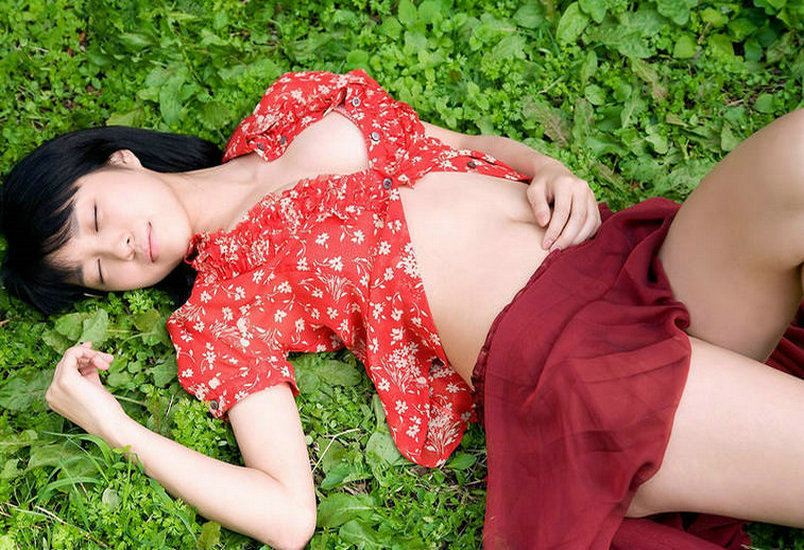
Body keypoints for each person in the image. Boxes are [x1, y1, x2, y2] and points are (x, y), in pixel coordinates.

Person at [1, 69, 802, 549]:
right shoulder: (222, 311)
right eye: (97, 272)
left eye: (96, 219)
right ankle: (661, 459)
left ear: (120, 158)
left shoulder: (290, 107)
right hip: (581, 365)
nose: (121, 252)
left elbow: (455, 144)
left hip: (630, 265)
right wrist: (111, 422)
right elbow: (286, 516)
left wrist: (547, 168)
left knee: (792, 157)